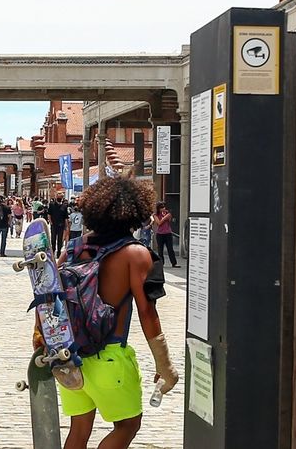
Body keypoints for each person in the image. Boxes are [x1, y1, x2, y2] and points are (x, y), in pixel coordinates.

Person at [43, 176, 179, 449]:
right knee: (128, 425)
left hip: (71, 356)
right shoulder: (135, 254)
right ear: (136, 212)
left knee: (79, 429)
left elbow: (49, 295)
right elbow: (147, 312)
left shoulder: (74, 247)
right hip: (110, 356)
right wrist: (164, 365)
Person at [151, 203, 178, 268]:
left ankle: (174, 263)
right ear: (158, 208)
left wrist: (168, 216)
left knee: (170, 249)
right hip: (160, 234)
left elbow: (169, 220)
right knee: (160, 250)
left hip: (168, 233)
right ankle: (161, 263)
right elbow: (159, 223)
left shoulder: (167, 214)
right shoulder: (155, 215)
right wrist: (165, 217)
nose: (163, 209)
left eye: (164, 207)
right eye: (161, 208)